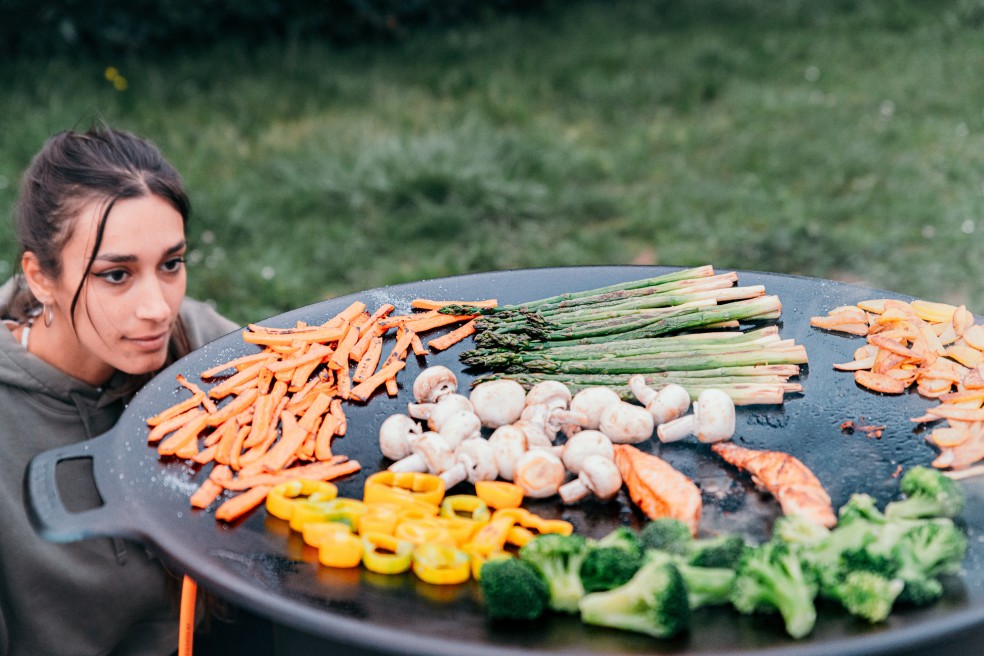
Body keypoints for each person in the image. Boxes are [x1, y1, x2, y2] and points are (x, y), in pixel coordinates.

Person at [0, 126, 270, 655]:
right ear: (40, 277)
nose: (158, 309)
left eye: (170, 265)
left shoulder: (204, 344)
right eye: (117, 275)